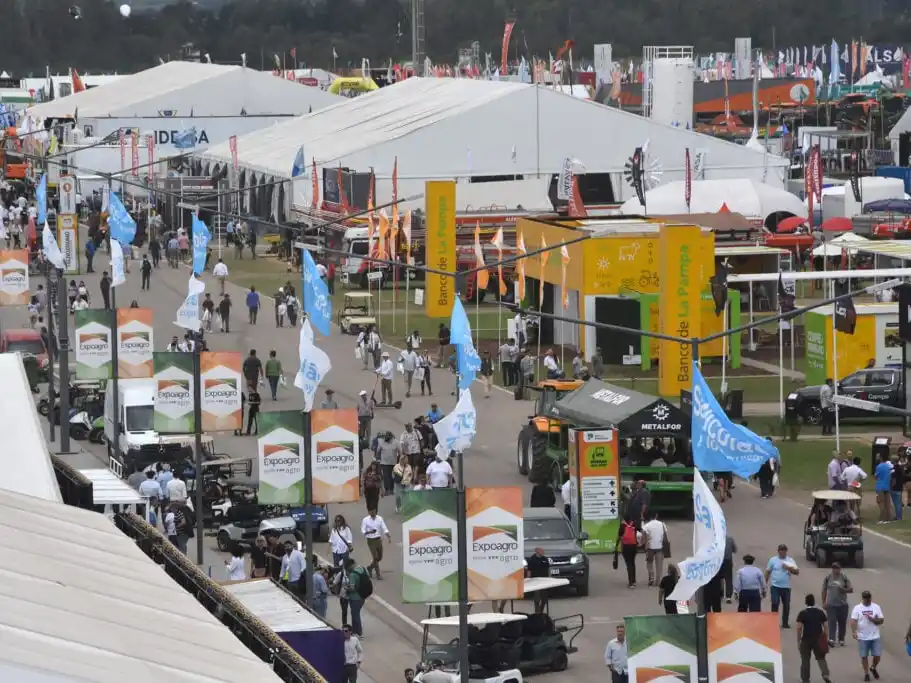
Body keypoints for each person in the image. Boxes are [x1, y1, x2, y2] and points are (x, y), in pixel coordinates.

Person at [796, 593, 832, 683]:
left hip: (806, 639)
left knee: (805, 659)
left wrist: (798, 640)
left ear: (806, 602)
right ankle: (825, 675)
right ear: (814, 602)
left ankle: (805, 679)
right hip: (818, 638)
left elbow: (799, 627)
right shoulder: (820, 612)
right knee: (821, 658)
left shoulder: (802, 613)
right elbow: (825, 625)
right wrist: (825, 637)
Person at [850, 591, 884, 681]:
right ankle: (866, 674)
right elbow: (853, 621)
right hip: (863, 637)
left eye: (869, 598)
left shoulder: (876, 607)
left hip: (875, 636)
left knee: (877, 655)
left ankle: (873, 667)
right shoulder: (857, 608)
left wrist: (873, 619)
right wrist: (854, 632)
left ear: (870, 598)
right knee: (864, 656)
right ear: (863, 598)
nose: (867, 600)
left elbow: (881, 620)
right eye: (866, 598)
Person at [766, 543, 799, 628]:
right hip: (775, 586)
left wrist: (788, 568)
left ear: (786, 551)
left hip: (786, 587)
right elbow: (768, 572)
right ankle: (773, 622)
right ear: (778, 551)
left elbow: (797, 572)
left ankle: (785, 623)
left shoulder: (790, 560)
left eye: (784, 550)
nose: (782, 552)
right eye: (781, 550)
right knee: (775, 603)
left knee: (786, 605)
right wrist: (764, 583)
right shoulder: (773, 560)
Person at [821, 561, 853, 646]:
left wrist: (844, 590)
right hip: (831, 605)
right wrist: (824, 602)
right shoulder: (828, 578)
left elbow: (851, 589)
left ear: (840, 569)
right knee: (832, 621)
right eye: (834, 568)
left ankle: (841, 639)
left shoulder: (844, 578)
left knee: (842, 623)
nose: (836, 570)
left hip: (842, 604)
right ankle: (832, 639)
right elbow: (824, 590)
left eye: (837, 568)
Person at [361, 509, 391, 579]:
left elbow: (384, 528)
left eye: (373, 511)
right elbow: (362, 530)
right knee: (375, 557)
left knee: (380, 557)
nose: (372, 512)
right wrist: (369, 532)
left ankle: (370, 567)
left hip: (378, 540)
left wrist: (388, 536)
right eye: (370, 511)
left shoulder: (380, 518)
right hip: (370, 540)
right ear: (368, 512)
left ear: (376, 511)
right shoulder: (365, 520)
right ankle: (378, 574)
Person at [642, 512, 667, 587]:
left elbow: (644, 537)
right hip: (659, 547)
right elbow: (665, 536)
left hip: (650, 548)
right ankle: (658, 581)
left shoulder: (646, 526)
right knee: (659, 565)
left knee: (649, 563)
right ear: (656, 515)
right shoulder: (662, 524)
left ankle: (651, 578)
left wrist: (644, 546)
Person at [615, 516, 640, 588]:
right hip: (634, 546)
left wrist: (616, 546)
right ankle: (634, 581)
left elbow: (619, 537)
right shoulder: (634, 524)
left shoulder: (622, 526)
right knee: (632, 563)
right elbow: (639, 532)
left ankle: (631, 583)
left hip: (626, 547)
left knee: (628, 564)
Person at [526, 547, 551, 612]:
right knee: (537, 599)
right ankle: (537, 613)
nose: (543, 552)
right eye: (541, 550)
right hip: (535, 582)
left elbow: (548, 568)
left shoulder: (545, 559)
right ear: (537, 551)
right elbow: (529, 570)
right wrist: (528, 579)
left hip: (544, 581)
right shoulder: (532, 559)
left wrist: (549, 577)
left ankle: (541, 611)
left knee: (544, 598)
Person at [873, 454, 895, 523]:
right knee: (887, 503)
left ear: (881, 458)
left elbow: (876, 476)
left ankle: (882, 519)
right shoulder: (888, 466)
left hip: (880, 487)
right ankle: (889, 518)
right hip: (887, 486)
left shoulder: (879, 466)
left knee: (881, 502)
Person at [722, 534, 738, 603]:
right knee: (728, 579)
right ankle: (728, 597)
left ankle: (718, 593)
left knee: (717, 578)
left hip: (718, 561)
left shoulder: (715, 539)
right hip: (728, 561)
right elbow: (735, 550)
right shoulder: (730, 539)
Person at [890, 454, 904, 521]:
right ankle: (899, 516)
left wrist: (891, 487)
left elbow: (894, 480)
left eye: (891, 459)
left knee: (897, 504)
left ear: (893, 460)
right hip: (900, 487)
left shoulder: (895, 469)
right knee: (898, 503)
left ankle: (898, 517)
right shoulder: (899, 467)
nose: (890, 460)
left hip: (895, 488)